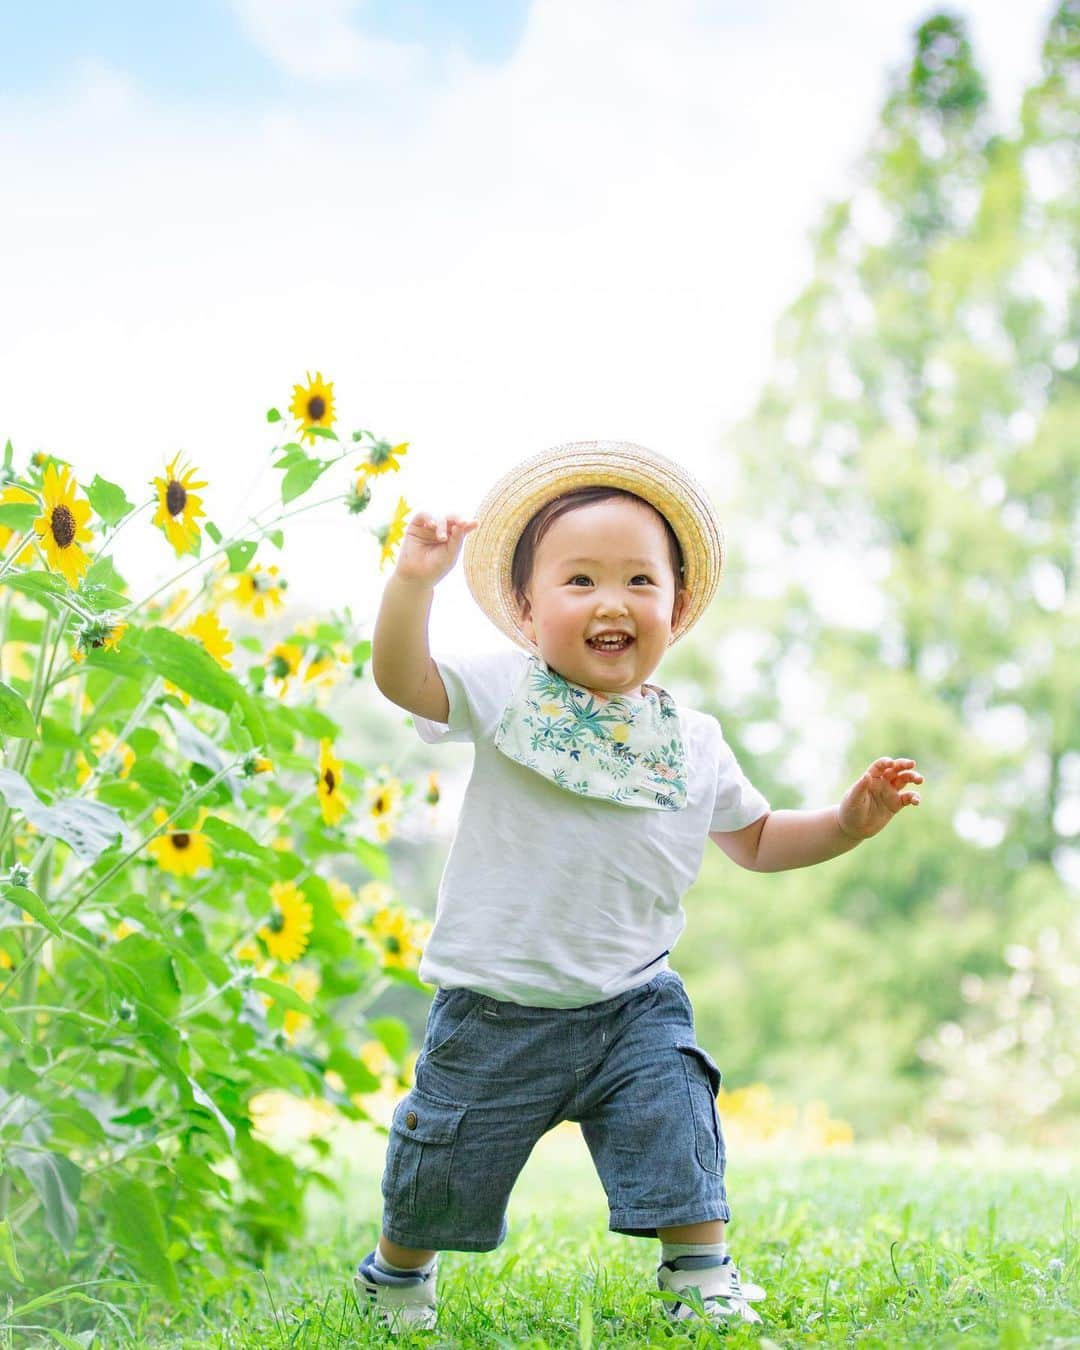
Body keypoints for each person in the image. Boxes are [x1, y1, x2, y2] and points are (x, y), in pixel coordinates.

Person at [355, 440, 924, 1333]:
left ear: (678, 604)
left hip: (633, 1004)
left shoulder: (692, 740)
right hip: (495, 1005)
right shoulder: (509, 692)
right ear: (526, 606)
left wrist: (847, 822)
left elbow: (762, 839)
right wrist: (413, 584)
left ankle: (699, 1271)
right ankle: (397, 1276)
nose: (610, 601)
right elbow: (402, 679)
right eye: (578, 580)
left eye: (638, 581)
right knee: (445, 1161)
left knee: (677, 1113)